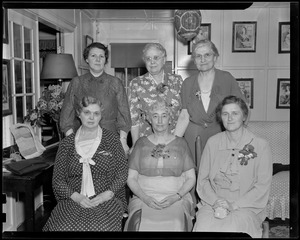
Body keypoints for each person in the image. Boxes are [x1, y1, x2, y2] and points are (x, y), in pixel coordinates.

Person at [43, 96, 128, 231]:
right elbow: (58, 180)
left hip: (106, 198)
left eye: (96, 113)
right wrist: (78, 198)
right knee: (61, 227)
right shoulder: (67, 144)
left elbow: (122, 173)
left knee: (101, 227)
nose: (91, 117)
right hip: (73, 199)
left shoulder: (112, 140)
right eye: (87, 112)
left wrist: (107, 194)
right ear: (79, 114)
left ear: (101, 116)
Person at [193, 96, 272, 238]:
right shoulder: (213, 142)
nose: (230, 118)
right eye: (225, 114)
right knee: (203, 226)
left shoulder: (261, 145)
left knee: (234, 229)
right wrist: (216, 201)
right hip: (213, 203)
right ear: (220, 117)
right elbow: (202, 180)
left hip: (246, 206)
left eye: (235, 113)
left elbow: (262, 186)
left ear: (244, 117)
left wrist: (233, 205)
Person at [124, 99, 196, 231]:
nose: (160, 120)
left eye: (164, 116)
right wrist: (145, 198)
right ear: (149, 120)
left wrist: (176, 197)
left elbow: (191, 178)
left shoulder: (181, 143)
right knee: (139, 222)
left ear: (170, 119)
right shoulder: (141, 143)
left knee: (176, 222)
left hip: (176, 197)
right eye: (155, 116)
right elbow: (131, 178)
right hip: (144, 197)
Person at [174, 39, 248, 168]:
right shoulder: (187, 83)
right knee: (194, 176)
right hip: (193, 137)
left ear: (215, 57)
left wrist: (238, 137)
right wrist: (172, 143)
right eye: (198, 56)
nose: (203, 59)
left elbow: (241, 110)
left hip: (221, 135)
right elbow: (184, 116)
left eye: (207, 55)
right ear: (194, 60)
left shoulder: (226, 78)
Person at [60, 42, 131, 154]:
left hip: (110, 140)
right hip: (82, 141)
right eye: (93, 56)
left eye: (101, 56)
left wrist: (123, 140)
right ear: (87, 59)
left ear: (105, 60)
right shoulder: (77, 82)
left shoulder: (115, 83)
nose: (98, 59)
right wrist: (71, 140)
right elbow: (66, 115)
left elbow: (124, 114)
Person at [128, 43, 183, 148]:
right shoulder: (136, 83)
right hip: (146, 142)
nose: (152, 62)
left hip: (173, 141)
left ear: (164, 59)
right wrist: (135, 145)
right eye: (148, 58)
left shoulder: (177, 81)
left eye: (156, 57)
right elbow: (133, 119)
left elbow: (183, 114)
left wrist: (175, 140)